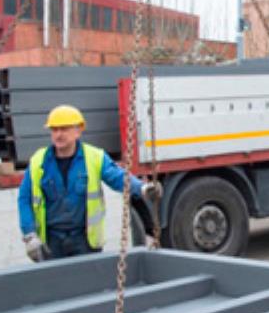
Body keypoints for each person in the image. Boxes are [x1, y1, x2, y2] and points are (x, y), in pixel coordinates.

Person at [18, 104, 161, 261]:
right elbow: (24, 198)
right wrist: (29, 235)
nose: (58, 134)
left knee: (88, 283)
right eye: (54, 129)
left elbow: (118, 177)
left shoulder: (94, 157)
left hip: (85, 241)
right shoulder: (38, 161)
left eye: (64, 129)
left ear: (78, 130)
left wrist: (142, 188)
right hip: (52, 242)